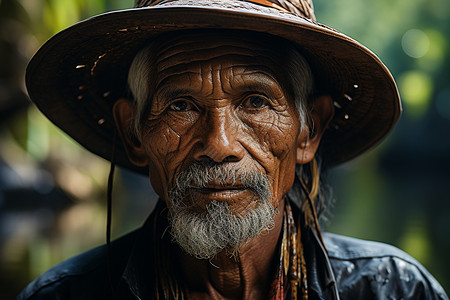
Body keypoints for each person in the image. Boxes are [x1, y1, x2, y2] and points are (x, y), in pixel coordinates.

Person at [18, 0, 448, 299]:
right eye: (181, 106)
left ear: (309, 131)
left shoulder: (393, 290)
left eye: (256, 102)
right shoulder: (65, 295)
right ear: (134, 134)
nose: (219, 145)